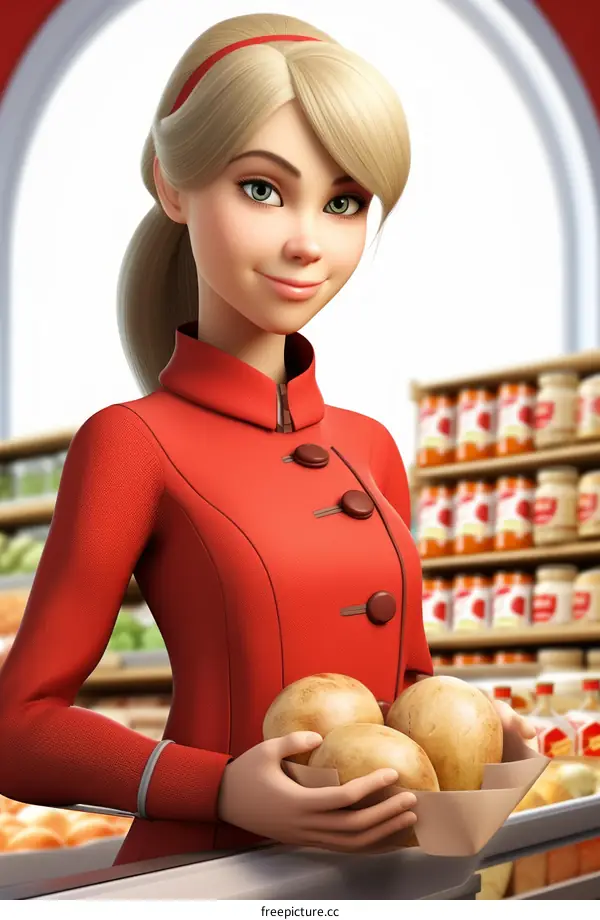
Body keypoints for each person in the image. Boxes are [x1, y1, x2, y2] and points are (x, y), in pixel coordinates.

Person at [0, 12, 534, 867]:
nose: (305, 241)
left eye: (345, 202)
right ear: (172, 186)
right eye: (261, 188)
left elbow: (403, 691)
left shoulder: (370, 446)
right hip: (210, 869)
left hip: (381, 871)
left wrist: (473, 729)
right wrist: (217, 787)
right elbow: (18, 728)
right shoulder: (132, 442)